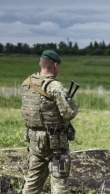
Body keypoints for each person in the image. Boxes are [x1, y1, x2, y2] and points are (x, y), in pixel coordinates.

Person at [21, 50, 78, 194]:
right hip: (55, 142)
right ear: (55, 65)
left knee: (32, 183)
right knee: (59, 184)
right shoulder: (55, 87)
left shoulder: (27, 83)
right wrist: (71, 102)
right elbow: (68, 113)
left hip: (34, 140)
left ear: (41, 63)